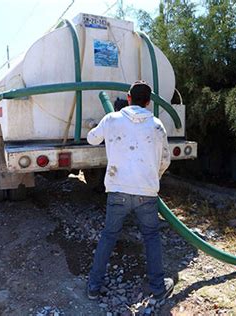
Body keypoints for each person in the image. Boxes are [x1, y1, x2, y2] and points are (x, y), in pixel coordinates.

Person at [86, 80, 174, 301]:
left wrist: (99, 126)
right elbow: (165, 160)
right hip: (147, 193)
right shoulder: (157, 125)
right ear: (148, 102)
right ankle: (157, 286)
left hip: (117, 190)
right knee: (151, 237)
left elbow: (92, 139)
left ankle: (93, 287)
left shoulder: (111, 119)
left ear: (128, 98)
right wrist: (153, 177)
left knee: (108, 236)